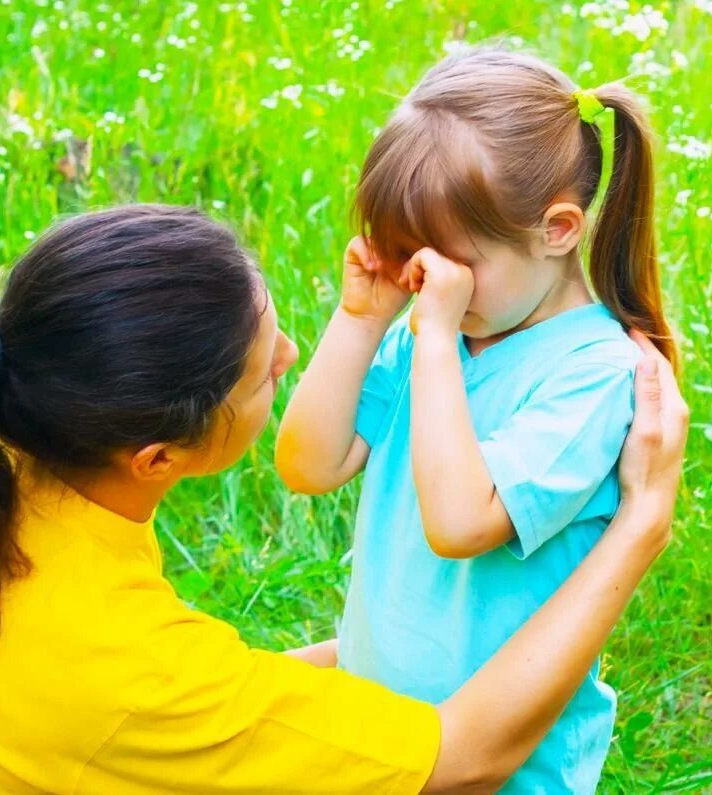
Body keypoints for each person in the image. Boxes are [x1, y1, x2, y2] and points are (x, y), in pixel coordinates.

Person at [0, 204, 687, 793]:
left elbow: (214, 707)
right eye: (259, 370)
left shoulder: (7, 482)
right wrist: (637, 528)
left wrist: (398, 643)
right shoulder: (135, 669)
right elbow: (461, 763)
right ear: (156, 456)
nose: (288, 352)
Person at [276, 47, 674, 792]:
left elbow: (460, 522)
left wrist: (431, 335)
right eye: (413, 264)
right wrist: (361, 320)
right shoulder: (440, 334)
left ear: (557, 230)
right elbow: (308, 465)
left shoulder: (592, 375)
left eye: (452, 265)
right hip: (390, 741)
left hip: (501, 770)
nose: (427, 287)